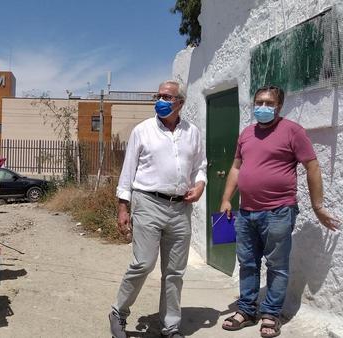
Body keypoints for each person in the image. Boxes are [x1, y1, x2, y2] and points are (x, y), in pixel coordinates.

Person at [220, 85, 340, 338]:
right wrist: (226, 199)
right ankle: (246, 310)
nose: (262, 107)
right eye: (258, 102)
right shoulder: (246, 133)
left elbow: (313, 167)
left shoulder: (292, 131)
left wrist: (317, 207)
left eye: (268, 103)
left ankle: (270, 315)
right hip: (245, 212)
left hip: (278, 211)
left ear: (279, 106)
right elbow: (236, 168)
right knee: (247, 264)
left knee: (276, 266)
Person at [109, 80, 207, 338]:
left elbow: (200, 166)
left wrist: (200, 185)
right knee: (143, 263)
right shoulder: (143, 130)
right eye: (158, 95)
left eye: (167, 97)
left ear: (180, 103)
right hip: (148, 202)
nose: (160, 100)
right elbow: (127, 171)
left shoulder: (192, 132)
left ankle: (170, 325)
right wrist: (123, 207)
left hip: (180, 208)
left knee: (174, 271)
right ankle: (118, 311)